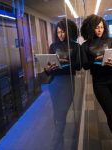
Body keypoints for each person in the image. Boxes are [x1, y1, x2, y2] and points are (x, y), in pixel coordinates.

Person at [44, 18, 81, 150]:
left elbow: (79, 66)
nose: (60, 34)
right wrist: (47, 69)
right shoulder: (53, 46)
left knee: (62, 112)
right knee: (57, 113)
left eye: (63, 32)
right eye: (58, 32)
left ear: (68, 31)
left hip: (67, 82)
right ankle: (59, 142)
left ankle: (55, 143)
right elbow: (48, 67)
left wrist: (66, 62)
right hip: (54, 83)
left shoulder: (76, 46)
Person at [81, 14, 112, 132]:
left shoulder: (110, 40)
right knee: (110, 113)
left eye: (102, 27)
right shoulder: (85, 45)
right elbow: (85, 66)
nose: (100, 30)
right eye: (96, 27)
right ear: (90, 28)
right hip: (99, 83)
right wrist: (96, 60)